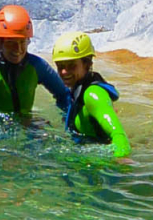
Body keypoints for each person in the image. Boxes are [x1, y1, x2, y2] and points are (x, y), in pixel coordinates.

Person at [51, 31, 131, 159]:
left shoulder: (93, 94)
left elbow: (119, 135)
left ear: (87, 64)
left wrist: (121, 160)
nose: (64, 72)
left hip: (102, 166)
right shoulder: (76, 92)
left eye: (71, 65)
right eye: (60, 66)